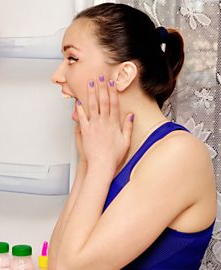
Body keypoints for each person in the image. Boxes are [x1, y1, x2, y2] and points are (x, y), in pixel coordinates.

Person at [48, 3, 216, 269]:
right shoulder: (106, 149)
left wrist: (100, 164)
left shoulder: (179, 154)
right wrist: (89, 161)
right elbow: (56, 260)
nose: (57, 76)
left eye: (72, 59)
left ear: (123, 74)